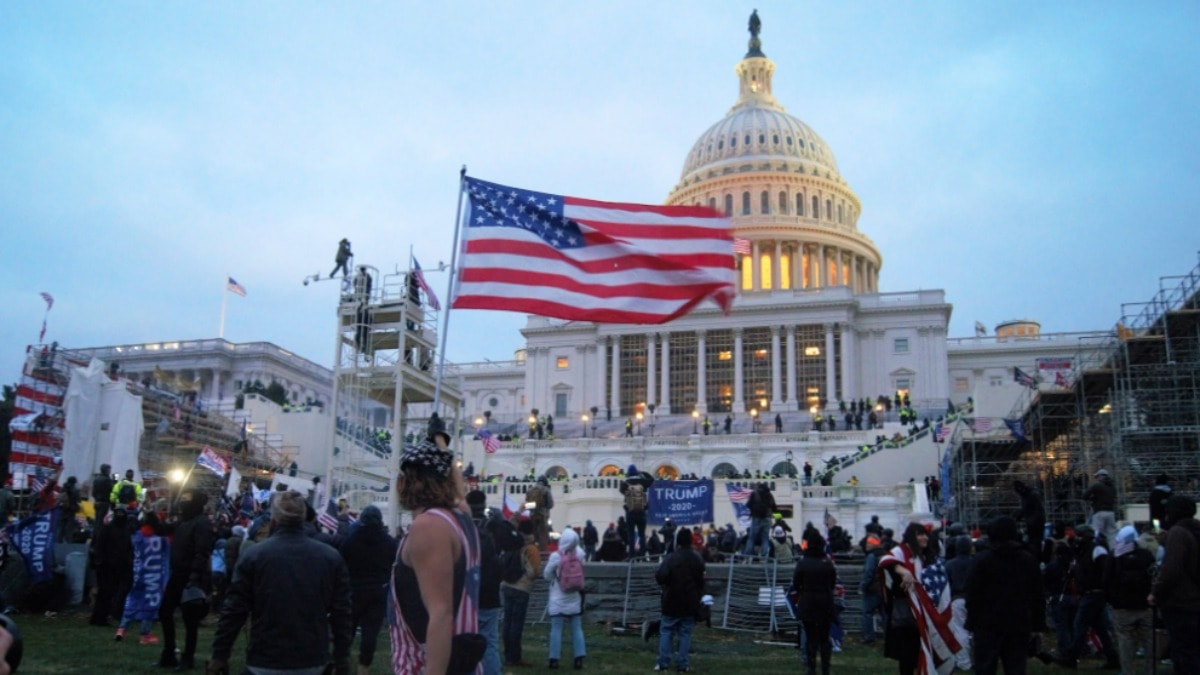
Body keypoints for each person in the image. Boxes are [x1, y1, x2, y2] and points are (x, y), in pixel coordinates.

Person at [208, 490, 353, 675]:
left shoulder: (253, 556)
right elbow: (342, 613)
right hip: (312, 659)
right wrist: (342, 657)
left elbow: (234, 611)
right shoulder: (330, 557)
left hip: (265, 660)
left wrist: (220, 655)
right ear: (304, 519)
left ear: (274, 519)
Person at [387, 440, 481, 675]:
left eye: (403, 477)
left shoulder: (429, 526)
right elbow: (459, 493)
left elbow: (440, 615)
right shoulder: (462, 518)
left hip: (426, 666)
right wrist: (444, 450)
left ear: (415, 481)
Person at [965, 516, 1044, 675]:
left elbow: (972, 594)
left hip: (987, 624)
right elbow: (1037, 595)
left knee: (985, 668)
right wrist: (1037, 625)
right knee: (1016, 668)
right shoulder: (1028, 560)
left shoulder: (982, 561)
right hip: (1018, 623)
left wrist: (973, 620)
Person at [878, 522, 959, 675]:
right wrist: (903, 571)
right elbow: (886, 562)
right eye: (920, 534)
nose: (924, 538)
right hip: (908, 617)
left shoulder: (927, 557)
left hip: (927, 614)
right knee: (908, 657)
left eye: (925, 534)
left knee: (922, 652)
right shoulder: (900, 553)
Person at [156, 488, 214, 670]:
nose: (183, 501)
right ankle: (169, 653)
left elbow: (202, 551)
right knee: (165, 612)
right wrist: (151, 513)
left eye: (186, 499)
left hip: (191, 576)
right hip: (178, 574)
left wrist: (194, 577)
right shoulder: (184, 522)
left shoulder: (201, 523)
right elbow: (164, 529)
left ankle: (187, 658)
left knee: (190, 621)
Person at [337, 504, 395, 675]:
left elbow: (341, 564)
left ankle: (342, 665)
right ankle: (364, 668)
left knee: (347, 631)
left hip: (353, 591)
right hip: (378, 592)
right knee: (371, 632)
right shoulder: (389, 542)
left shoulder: (351, 540)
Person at [1148, 494, 1200, 674]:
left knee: (1184, 653)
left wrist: (1156, 592)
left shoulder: (1178, 533)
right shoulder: (1193, 530)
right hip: (1195, 600)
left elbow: (1171, 570)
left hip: (1181, 602)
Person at [1058, 524, 1119, 669]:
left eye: (1079, 536)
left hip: (1094, 593)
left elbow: (1105, 571)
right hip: (1089, 594)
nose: (1076, 538)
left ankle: (1071, 657)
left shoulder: (1096, 549)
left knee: (1080, 624)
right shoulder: (1082, 552)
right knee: (1100, 629)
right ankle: (1113, 658)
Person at [1105, 524, 1155, 675]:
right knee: (1149, 641)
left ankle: (1128, 671)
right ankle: (1150, 670)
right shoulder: (1146, 555)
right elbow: (1153, 577)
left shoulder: (1115, 556)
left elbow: (1106, 580)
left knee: (1125, 641)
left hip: (1122, 607)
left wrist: (1112, 601)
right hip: (1145, 605)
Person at [654, 527, 705, 673]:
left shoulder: (671, 558)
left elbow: (660, 576)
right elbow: (701, 581)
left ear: (678, 542)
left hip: (671, 600)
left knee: (666, 631)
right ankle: (682, 665)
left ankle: (663, 663)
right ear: (690, 541)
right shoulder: (697, 558)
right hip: (690, 602)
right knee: (685, 633)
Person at [117, 510, 169, 645]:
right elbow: (165, 560)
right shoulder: (161, 541)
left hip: (138, 574)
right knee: (150, 604)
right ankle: (144, 634)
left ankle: (122, 629)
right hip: (154, 576)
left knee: (132, 600)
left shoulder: (137, 537)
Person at [465, 491, 503, 675]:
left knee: (466, 642)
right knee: (490, 643)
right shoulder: (493, 528)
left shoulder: (462, 529)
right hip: (490, 595)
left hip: (469, 595)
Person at [793, 527, 837, 675]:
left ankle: (811, 668)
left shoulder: (803, 563)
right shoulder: (827, 563)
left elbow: (795, 584)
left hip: (808, 602)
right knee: (825, 638)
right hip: (825, 602)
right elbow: (832, 583)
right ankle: (826, 669)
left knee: (811, 638)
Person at [544, 528, 587, 670]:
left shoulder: (556, 556)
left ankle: (554, 659)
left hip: (558, 596)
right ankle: (579, 658)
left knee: (556, 628)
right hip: (574, 596)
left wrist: (556, 579)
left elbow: (546, 574)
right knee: (576, 627)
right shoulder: (580, 554)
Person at [501, 516, 540, 667]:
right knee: (517, 624)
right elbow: (534, 572)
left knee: (507, 622)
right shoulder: (530, 548)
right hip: (521, 588)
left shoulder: (511, 544)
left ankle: (507, 654)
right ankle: (515, 658)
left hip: (506, 586)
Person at [90, 503, 134, 627]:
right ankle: (100, 617)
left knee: (112, 592)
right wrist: (100, 561)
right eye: (118, 513)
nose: (119, 515)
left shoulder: (126, 529)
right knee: (105, 593)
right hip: (107, 566)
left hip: (120, 566)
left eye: (121, 513)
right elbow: (100, 546)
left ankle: (105, 615)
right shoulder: (109, 528)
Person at [942, 534, 974, 671]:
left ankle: (964, 662)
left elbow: (946, 584)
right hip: (976, 599)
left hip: (957, 599)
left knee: (960, 630)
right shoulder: (976, 562)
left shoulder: (949, 564)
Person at [620, 465, 655, 557]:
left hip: (630, 511)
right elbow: (652, 479)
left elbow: (621, 490)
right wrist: (642, 472)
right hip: (641, 511)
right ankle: (642, 554)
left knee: (631, 534)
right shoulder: (642, 482)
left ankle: (631, 555)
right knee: (641, 534)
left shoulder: (626, 482)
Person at [859, 534, 885, 646]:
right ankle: (890, 636)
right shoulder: (884, 554)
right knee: (884, 614)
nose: (866, 545)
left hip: (872, 589)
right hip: (883, 589)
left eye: (869, 543)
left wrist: (862, 587)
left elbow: (868, 573)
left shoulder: (871, 556)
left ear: (873, 544)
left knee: (867, 613)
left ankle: (869, 637)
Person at [1084, 469, 1118, 545]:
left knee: (1096, 532)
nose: (1096, 479)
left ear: (1100, 476)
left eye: (1097, 477)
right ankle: (1113, 551)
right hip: (1111, 512)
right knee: (1111, 534)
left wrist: (1092, 498)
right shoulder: (1113, 487)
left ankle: (1097, 549)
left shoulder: (1097, 486)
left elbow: (1085, 496)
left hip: (1099, 512)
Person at [742, 482, 776, 557]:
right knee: (765, 538)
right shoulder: (770, 495)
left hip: (756, 518)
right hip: (767, 518)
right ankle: (763, 557)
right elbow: (774, 507)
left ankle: (747, 556)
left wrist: (753, 510)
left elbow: (748, 505)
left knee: (751, 538)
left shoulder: (754, 494)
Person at [1012, 479, 1045, 551]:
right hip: (1031, 521)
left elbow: (1038, 510)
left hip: (1036, 523)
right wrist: (1018, 515)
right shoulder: (1024, 496)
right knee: (1032, 540)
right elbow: (1025, 508)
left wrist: (1031, 520)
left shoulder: (1032, 494)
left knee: (1035, 541)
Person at [526, 476, 554, 551]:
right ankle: (543, 553)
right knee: (543, 534)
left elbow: (527, 504)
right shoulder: (546, 489)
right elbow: (550, 504)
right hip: (542, 515)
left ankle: (532, 551)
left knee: (532, 534)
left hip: (532, 516)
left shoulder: (530, 490)